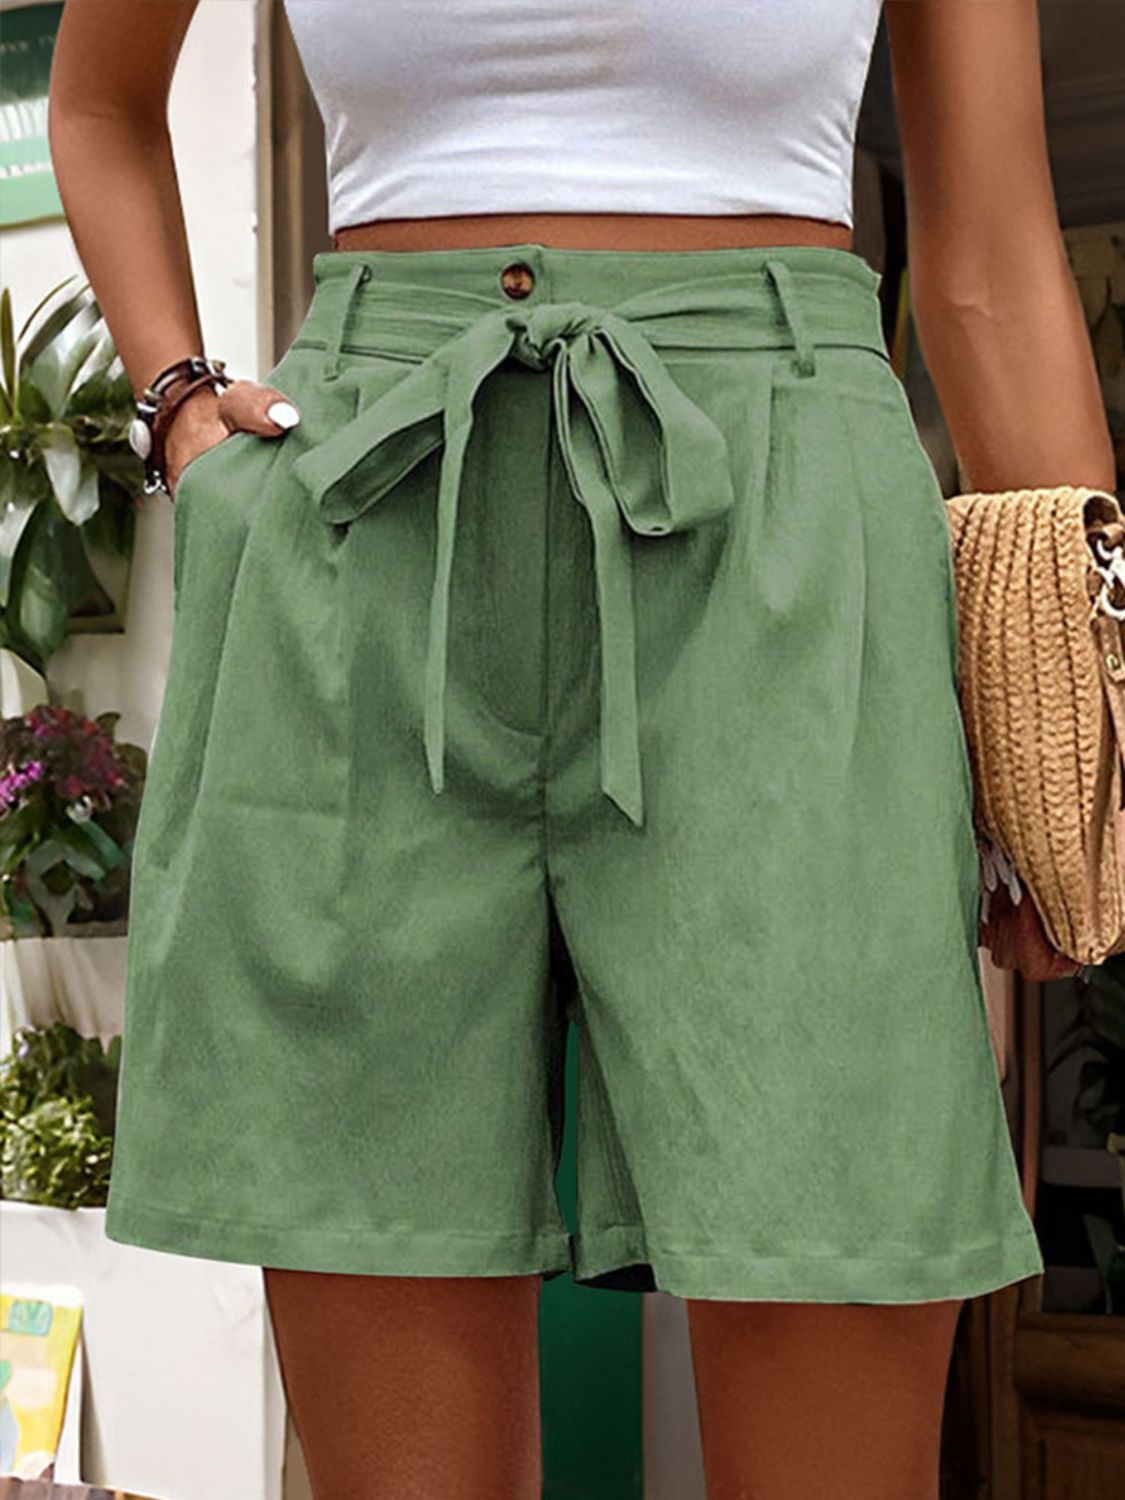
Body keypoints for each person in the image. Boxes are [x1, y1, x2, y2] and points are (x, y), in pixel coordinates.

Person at [47, 2, 1114, 1497]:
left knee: (841, 1272)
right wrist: (179, 417)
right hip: (374, 514)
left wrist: (1067, 707)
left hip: (782, 531)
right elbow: (97, 105)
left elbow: (990, 254)